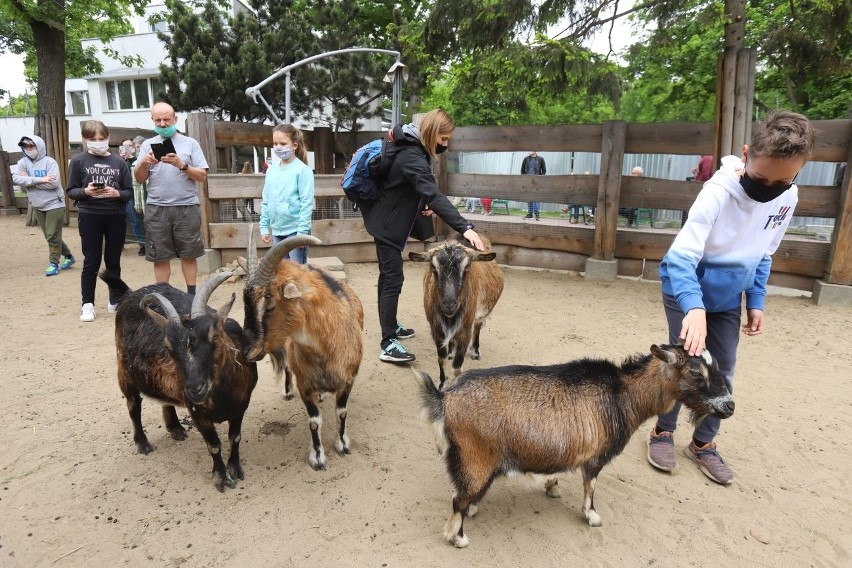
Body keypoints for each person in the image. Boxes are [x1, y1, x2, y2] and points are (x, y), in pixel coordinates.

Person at [648, 110, 815, 485]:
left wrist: (755, 300)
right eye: (760, 178)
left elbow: (764, 252)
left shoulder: (787, 196)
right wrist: (693, 308)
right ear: (745, 154)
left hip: (727, 298)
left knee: (724, 368)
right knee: (687, 363)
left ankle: (703, 443)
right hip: (685, 289)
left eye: (783, 180)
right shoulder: (717, 194)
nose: (769, 187)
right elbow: (680, 257)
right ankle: (663, 431)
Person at [359, 109, 485, 364]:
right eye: (444, 139)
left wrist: (419, 202)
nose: (445, 145)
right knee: (392, 278)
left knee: (388, 275)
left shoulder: (411, 149)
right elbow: (434, 194)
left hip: (385, 219)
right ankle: (388, 343)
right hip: (386, 225)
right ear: (431, 133)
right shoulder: (412, 156)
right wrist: (465, 227)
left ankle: (391, 326)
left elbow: (405, 187)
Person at [134, 101, 209, 294]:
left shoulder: (190, 144)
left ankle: (192, 295)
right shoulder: (147, 145)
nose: (162, 123)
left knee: (189, 254)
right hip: (156, 207)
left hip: (186, 206)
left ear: (175, 119)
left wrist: (181, 164)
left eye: (166, 119)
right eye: (157, 120)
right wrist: (143, 162)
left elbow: (202, 176)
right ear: (152, 120)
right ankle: (164, 295)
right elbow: (140, 178)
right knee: (160, 256)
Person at [67, 121, 134, 322]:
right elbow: (71, 191)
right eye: (92, 139)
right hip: (90, 215)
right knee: (91, 261)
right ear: (85, 139)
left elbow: (128, 192)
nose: (97, 142)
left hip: (115, 216)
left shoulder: (119, 162)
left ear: (108, 137)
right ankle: (87, 304)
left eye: (101, 139)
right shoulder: (78, 161)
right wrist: (85, 192)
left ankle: (115, 300)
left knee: (113, 261)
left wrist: (117, 193)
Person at [13, 135, 76, 277]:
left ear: (39, 146)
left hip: (54, 203)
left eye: (32, 146)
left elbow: (53, 183)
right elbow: (17, 179)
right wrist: (40, 179)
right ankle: (69, 256)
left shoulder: (50, 162)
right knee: (50, 236)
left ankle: (53, 263)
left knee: (52, 234)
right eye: (26, 147)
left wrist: (28, 181)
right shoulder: (22, 163)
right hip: (37, 204)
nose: (29, 149)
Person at [259, 124, 314, 264]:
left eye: (283, 143)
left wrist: (302, 234)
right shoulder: (271, 171)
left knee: (297, 273)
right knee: (281, 272)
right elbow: (266, 200)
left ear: (294, 145)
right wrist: (264, 227)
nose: (278, 147)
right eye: (275, 143)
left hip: (295, 231)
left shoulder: (303, 171)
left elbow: (306, 204)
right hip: (277, 231)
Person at [119, 138, 146, 256]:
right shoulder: (120, 161)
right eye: (125, 146)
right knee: (135, 221)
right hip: (129, 195)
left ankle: (152, 244)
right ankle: (142, 245)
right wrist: (123, 159)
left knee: (149, 220)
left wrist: (133, 159)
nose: (128, 149)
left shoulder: (138, 159)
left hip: (142, 192)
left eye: (130, 146)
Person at [520, 151, 545, 220]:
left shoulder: (540, 159)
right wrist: (524, 179)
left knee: (536, 198)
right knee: (529, 198)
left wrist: (540, 179)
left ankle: (537, 215)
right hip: (528, 182)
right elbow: (522, 170)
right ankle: (530, 214)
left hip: (537, 183)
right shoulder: (526, 159)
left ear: (535, 151)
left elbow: (544, 170)